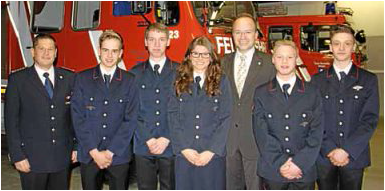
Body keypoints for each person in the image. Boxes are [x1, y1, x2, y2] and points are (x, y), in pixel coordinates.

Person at [4, 33, 77, 189]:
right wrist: (17, 155)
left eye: (51, 49)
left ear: (56, 53)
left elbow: (74, 117)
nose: (46, 53)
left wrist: (76, 147)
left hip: (62, 157)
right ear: (33, 52)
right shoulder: (18, 80)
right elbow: (11, 121)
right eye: (41, 48)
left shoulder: (69, 78)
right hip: (31, 159)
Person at [313, 25, 379, 190]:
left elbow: (369, 120)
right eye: (337, 43)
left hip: (354, 156)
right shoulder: (317, 81)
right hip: (324, 156)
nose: (341, 48)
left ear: (354, 46)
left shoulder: (368, 80)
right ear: (330, 47)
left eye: (347, 43)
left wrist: (346, 150)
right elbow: (314, 119)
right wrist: (330, 150)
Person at [71, 30, 138, 190]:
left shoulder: (129, 80)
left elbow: (130, 119)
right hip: (90, 154)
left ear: (121, 53)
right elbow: (78, 118)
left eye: (114, 51)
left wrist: (110, 152)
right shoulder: (82, 78)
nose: (109, 55)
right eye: (106, 50)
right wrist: (94, 152)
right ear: (99, 51)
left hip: (118, 155)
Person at [252, 40, 324, 190]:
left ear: (296, 59)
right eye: (279, 57)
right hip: (273, 169)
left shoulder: (312, 92)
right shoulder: (261, 93)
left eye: (290, 57)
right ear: (273, 59)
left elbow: (316, 132)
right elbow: (261, 133)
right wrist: (281, 162)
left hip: (303, 170)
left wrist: (299, 163)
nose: (284, 61)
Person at [168, 36, 232, 190]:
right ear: (189, 56)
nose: (200, 58)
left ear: (211, 58)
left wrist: (211, 151)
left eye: (205, 54)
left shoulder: (222, 81)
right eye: (196, 54)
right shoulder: (177, 80)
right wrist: (184, 148)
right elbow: (172, 115)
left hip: (212, 156)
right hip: (185, 155)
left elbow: (226, 118)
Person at [221, 13, 276, 190]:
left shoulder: (270, 63)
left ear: (255, 34)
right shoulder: (222, 63)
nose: (243, 37)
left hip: (256, 140)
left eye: (247, 32)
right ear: (232, 35)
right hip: (228, 142)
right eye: (238, 32)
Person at [130, 23, 177, 190]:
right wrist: (148, 138)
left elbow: (182, 110)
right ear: (145, 42)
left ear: (168, 42)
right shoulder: (134, 73)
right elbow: (131, 110)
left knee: (170, 187)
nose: (157, 45)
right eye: (152, 40)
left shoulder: (179, 72)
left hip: (170, 144)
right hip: (144, 144)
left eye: (161, 39)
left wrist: (166, 137)